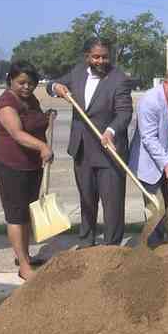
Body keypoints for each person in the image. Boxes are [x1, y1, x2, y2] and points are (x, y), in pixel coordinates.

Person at [48, 38, 133, 246]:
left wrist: (111, 131)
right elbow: (52, 85)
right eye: (96, 57)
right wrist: (55, 86)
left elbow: (124, 113)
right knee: (86, 201)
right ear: (87, 56)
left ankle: (112, 249)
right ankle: (86, 243)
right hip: (82, 150)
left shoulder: (119, 79)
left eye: (104, 56)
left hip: (109, 152)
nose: (100, 61)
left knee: (112, 204)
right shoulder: (77, 73)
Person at [0, 60, 53, 281]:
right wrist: (42, 146)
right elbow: (17, 133)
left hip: (31, 164)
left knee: (27, 212)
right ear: (11, 80)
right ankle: (24, 267)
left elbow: (33, 123)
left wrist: (47, 118)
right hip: (11, 164)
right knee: (16, 215)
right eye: (21, 83)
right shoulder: (6, 103)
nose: (26, 87)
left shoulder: (31, 99)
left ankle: (24, 255)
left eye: (31, 83)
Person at [128, 66, 168, 247]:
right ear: (165, 83)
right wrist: (166, 162)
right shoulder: (149, 101)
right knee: (155, 208)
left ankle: (165, 240)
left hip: (167, 157)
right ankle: (153, 248)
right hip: (149, 162)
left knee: (167, 203)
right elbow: (148, 138)